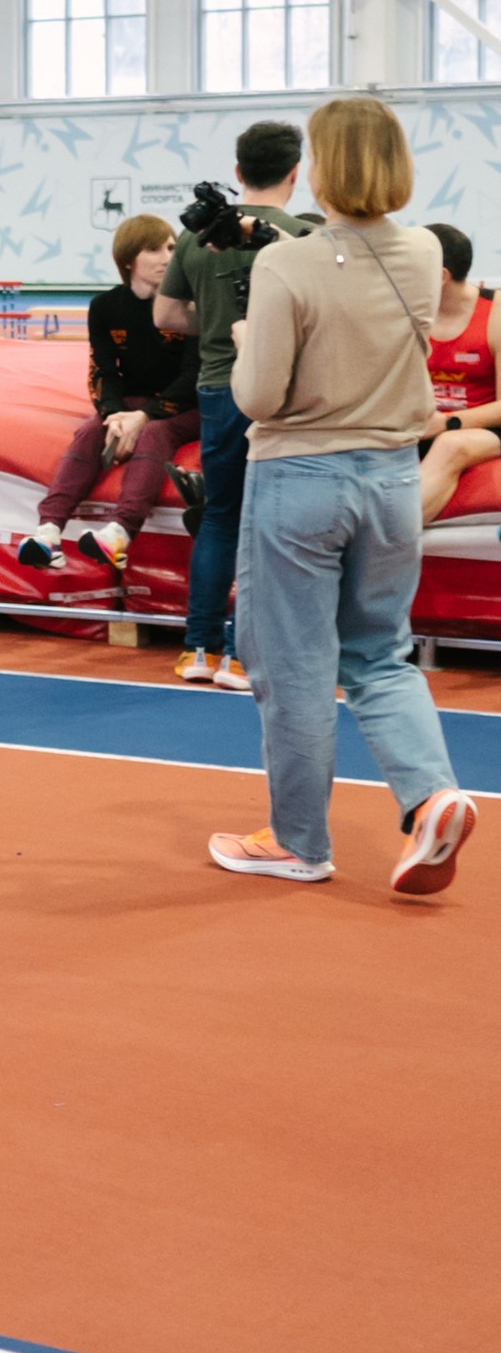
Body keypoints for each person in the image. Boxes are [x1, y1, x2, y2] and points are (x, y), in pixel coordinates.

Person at [210, 97, 476, 895]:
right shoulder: (425, 252)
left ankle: (299, 841)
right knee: (380, 656)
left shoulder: (283, 267)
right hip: (391, 479)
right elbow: (359, 278)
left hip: (301, 479)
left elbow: (259, 396)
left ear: (320, 168)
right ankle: (431, 794)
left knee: (294, 666)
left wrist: (247, 338)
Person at [158, 121, 311, 690]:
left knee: (221, 515)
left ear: (238, 171)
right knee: (267, 523)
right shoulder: (305, 237)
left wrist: (220, 322)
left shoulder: (197, 236)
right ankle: (243, 655)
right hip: (280, 391)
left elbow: (166, 316)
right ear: (295, 173)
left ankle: (198, 649)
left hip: (219, 387)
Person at [19, 214, 199, 572]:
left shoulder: (190, 305)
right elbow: (102, 370)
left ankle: (120, 532)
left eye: (171, 248)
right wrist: (113, 413)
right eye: (154, 250)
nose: (167, 258)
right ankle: (48, 531)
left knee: (154, 433)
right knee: (90, 431)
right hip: (132, 404)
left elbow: (193, 375)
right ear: (129, 260)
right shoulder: (105, 307)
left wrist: (143, 416)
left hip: (186, 405)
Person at [417, 222, 501, 521]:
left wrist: (448, 423)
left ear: (440, 277)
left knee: (450, 446)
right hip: (427, 422)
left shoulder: (496, 313)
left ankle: (386, 538)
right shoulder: (407, 314)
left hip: (485, 427)